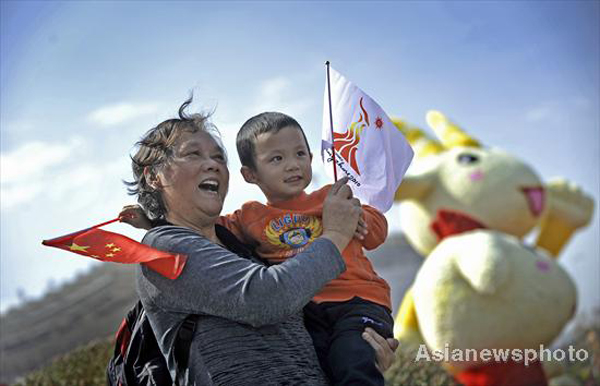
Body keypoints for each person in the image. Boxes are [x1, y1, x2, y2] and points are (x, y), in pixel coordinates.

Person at [124, 98, 398, 385]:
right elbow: (265, 297)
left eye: (219, 158)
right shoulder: (164, 247)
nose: (212, 165)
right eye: (193, 154)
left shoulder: (240, 245)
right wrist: (337, 234)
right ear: (154, 176)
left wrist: (362, 356)